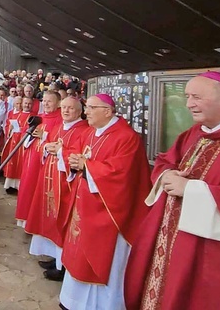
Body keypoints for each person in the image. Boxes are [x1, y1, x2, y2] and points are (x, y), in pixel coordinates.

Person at [125, 71, 220, 310]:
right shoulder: (193, 133)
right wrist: (166, 174)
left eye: (197, 97)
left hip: (206, 250)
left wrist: (191, 190)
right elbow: (164, 160)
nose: (189, 103)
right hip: (167, 235)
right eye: (188, 96)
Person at [58, 94, 152, 310]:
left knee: (103, 261)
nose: (86, 112)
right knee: (77, 257)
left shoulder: (126, 137)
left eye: (91, 108)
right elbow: (85, 160)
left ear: (107, 111)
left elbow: (122, 176)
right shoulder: (93, 132)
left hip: (109, 213)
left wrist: (87, 167)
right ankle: (73, 301)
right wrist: (76, 163)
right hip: (86, 207)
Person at [25, 96, 89, 281]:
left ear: (79, 111)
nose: (66, 111)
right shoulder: (60, 125)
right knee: (50, 220)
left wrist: (60, 151)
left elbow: (79, 156)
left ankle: (62, 266)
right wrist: (47, 147)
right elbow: (48, 142)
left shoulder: (83, 130)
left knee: (62, 222)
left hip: (66, 184)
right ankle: (55, 258)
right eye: (64, 108)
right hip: (50, 179)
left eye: (70, 108)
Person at [15, 91, 63, 227]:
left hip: (44, 164)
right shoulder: (39, 117)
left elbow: (60, 141)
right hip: (31, 159)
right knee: (27, 187)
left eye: (50, 101)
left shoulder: (60, 120)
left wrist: (44, 135)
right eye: (44, 100)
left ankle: (34, 222)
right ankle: (25, 219)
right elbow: (25, 134)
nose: (45, 103)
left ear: (58, 103)